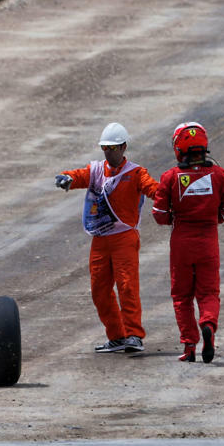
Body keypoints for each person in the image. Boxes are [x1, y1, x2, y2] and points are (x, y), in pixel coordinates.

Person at [55, 122, 160, 353]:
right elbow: (79, 176)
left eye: (112, 148)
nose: (108, 152)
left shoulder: (135, 172)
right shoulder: (96, 170)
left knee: (127, 287)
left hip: (124, 238)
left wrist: (168, 195)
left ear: (123, 147)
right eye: (105, 148)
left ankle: (134, 335)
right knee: (99, 290)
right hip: (101, 240)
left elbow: (153, 189)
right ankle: (117, 336)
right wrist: (66, 178)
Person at [152, 122, 224, 363]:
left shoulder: (170, 177)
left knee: (182, 296)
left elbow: (158, 213)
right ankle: (208, 323)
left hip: (181, 242)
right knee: (209, 292)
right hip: (208, 241)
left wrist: (173, 218)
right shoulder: (220, 175)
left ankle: (189, 346)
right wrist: (214, 219)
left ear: (179, 148)